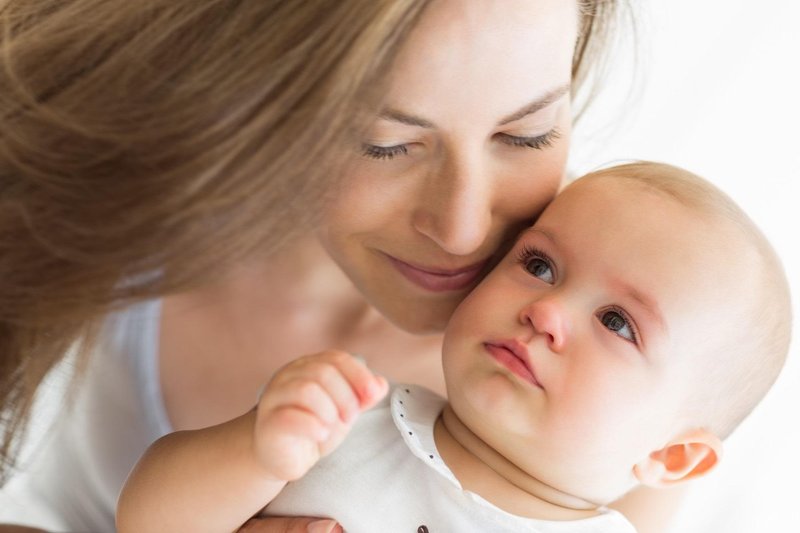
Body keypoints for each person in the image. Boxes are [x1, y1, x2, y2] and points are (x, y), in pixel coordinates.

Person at [0, 1, 688, 532]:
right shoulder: (102, 234)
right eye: (383, 144)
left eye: (526, 132)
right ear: (251, 94)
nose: (463, 228)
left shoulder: (631, 402)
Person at [116, 162, 792, 533]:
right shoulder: (349, 418)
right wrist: (257, 452)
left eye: (616, 322)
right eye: (540, 265)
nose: (548, 310)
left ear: (672, 456)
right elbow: (147, 522)